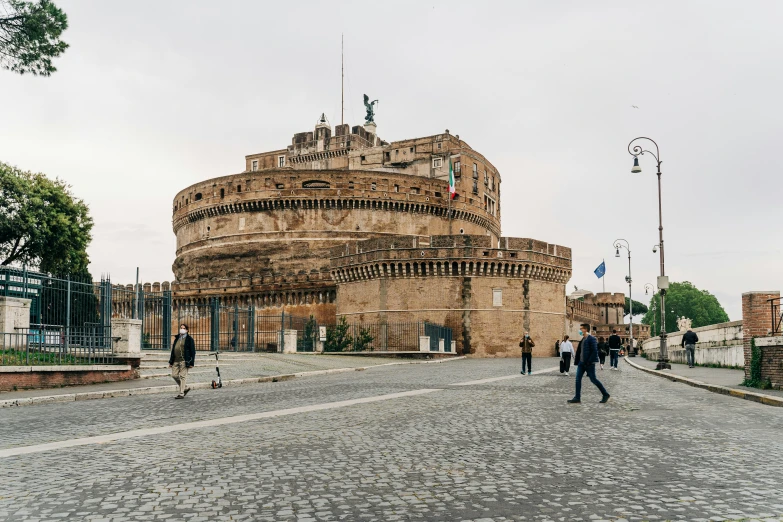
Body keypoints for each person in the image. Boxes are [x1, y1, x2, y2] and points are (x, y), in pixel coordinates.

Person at [568, 323, 610, 404]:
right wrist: (578, 361)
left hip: (589, 363)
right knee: (577, 379)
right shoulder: (582, 339)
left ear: (586, 329)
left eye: (581, 329)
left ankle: (605, 394)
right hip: (581, 363)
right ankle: (577, 397)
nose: (580, 330)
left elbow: (594, 351)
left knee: (593, 379)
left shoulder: (592, 339)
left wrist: (588, 361)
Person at [169, 323, 196, 399]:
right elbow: (173, 350)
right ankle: (185, 388)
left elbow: (193, 352)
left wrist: (191, 363)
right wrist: (171, 362)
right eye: (181, 328)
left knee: (183, 377)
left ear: (187, 330)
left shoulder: (189, 339)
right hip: (176, 360)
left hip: (185, 361)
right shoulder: (177, 338)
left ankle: (181, 393)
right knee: (174, 375)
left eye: (183, 328)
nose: (182, 329)